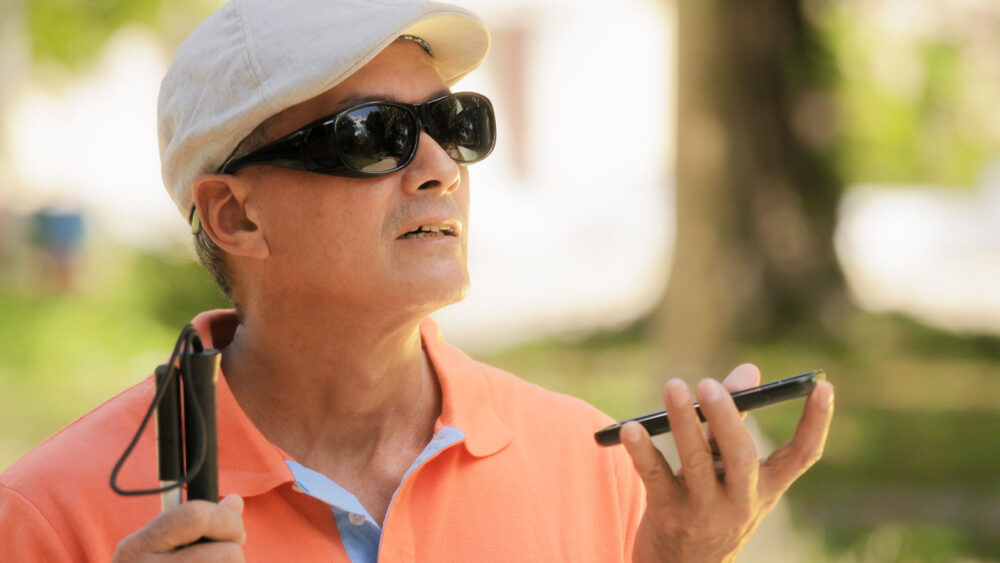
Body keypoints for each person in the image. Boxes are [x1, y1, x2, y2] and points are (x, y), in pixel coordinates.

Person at [0, 0, 834, 561]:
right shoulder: (48, 515)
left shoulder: (603, 472)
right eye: (374, 134)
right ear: (233, 217)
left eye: (453, 123)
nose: (440, 168)